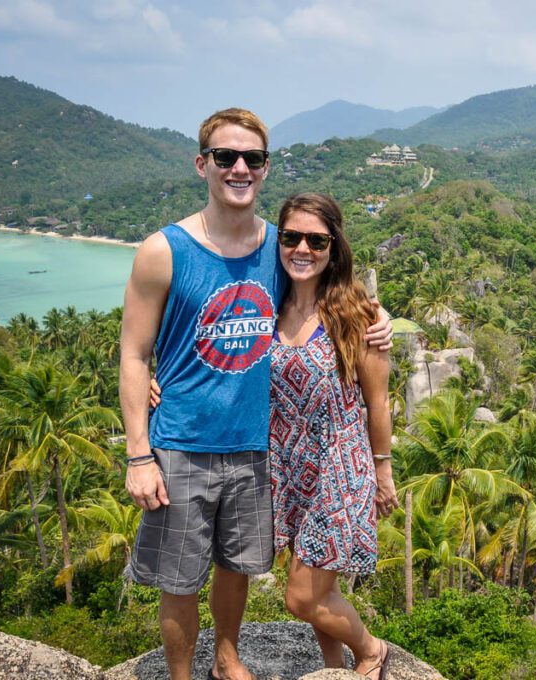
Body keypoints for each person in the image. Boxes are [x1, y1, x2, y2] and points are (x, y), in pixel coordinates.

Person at [120, 109, 391, 680]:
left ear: (266, 168)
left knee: (235, 569)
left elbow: (326, 279)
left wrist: (378, 317)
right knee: (179, 578)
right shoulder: (162, 250)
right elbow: (134, 350)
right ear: (203, 165)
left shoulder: (276, 246)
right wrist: (138, 454)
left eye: (253, 158)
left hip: (256, 451)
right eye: (225, 157)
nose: (239, 167)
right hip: (182, 445)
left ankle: (227, 657)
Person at [269, 193, 398, 680]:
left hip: (339, 469)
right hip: (287, 467)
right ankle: (332, 669)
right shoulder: (267, 305)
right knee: (318, 590)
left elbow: (378, 402)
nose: (302, 248)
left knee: (301, 595)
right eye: (291, 237)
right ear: (278, 240)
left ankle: (371, 649)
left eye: (316, 240)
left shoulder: (357, 315)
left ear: (333, 246)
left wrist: (382, 472)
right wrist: (161, 382)